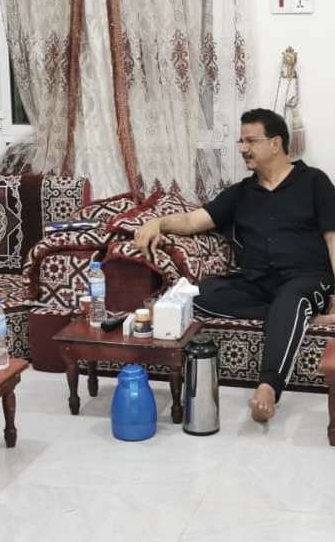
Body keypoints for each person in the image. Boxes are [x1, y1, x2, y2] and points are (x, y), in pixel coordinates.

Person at [134, 108, 335, 423]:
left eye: (251, 141)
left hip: (307, 278)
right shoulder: (241, 193)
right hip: (255, 282)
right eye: (241, 141)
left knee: (291, 299)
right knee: (192, 296)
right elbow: (192, 221)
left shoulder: (314, 182)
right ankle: (300, 317)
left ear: (276, 143)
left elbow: (333, 240)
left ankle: (268, 387)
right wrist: (157, 223)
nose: (243, 148)